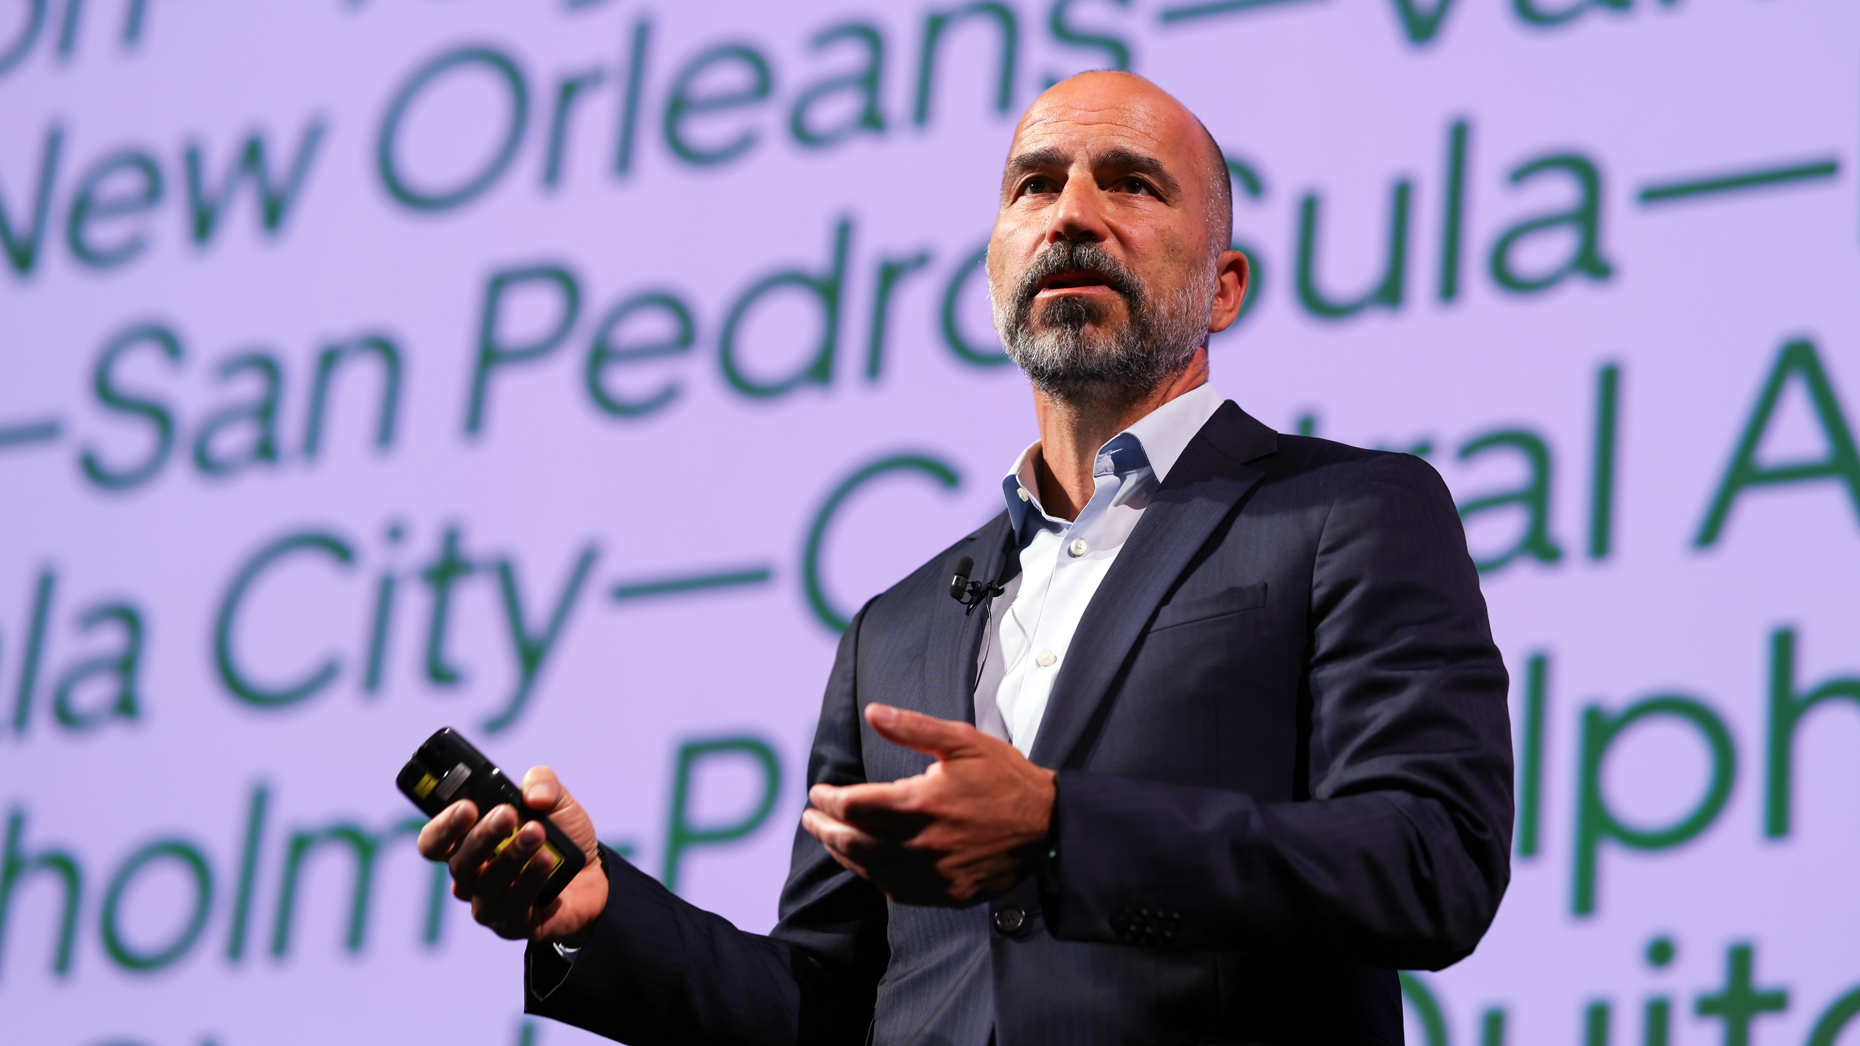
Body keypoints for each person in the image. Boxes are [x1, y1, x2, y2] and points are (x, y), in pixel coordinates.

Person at [416, 70, 1514, 1045]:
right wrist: (606, 915)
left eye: (1131, 183)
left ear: (1224, 285)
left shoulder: (1344, 510)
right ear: (996, 264)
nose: (1073, 213)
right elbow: (834, 1002)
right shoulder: (892, 629)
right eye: (1034, 185)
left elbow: (1432, 860)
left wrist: (1058, 828)